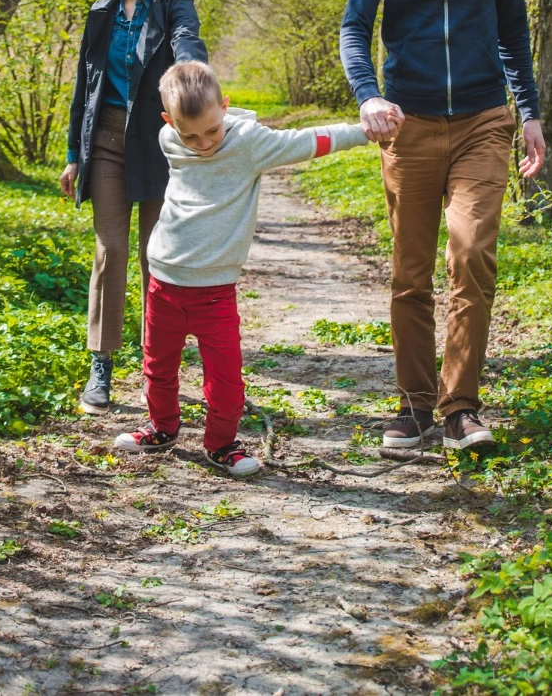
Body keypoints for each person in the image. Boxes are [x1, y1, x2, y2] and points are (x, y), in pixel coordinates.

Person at [339, 0, 546, 454]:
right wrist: (370, 95)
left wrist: (529, 111)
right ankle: (413, 405)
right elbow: (353, 29)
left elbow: (513, 32)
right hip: (411, 124)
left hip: (485, 121)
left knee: (471, 252)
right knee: (410, 271)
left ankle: (461, 408)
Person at [114, 61, 367, 477]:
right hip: (163, 280)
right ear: (168, 122)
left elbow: (310, 140)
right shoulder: (167, 137)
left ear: (226, 108)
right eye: (189, 134)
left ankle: (221, 444)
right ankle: (162, 428)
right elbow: (186, 136)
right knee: (157, 366)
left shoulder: (250, 142)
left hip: (214, 290)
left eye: (212, 130)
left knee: (226, 381)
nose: (202, 143)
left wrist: (366, 130)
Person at [60, 0, 207, 415]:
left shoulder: (173, 4)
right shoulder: (101, 11)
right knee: (111, 249)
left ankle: (156, 369)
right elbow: (86, 86)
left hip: (160, 140)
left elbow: (187, 41)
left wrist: (194, 79)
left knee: (156, 257)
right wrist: (72, 156)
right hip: (104, 141)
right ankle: (100, 365)